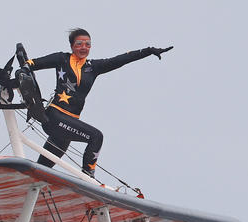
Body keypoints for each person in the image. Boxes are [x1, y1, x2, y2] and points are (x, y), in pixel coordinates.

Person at [23, 29, 172, 178]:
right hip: (54, 117)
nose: (84, 47)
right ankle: (88, 177)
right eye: (79, 44)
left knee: (39, 173)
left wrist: (148, 51)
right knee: (96, 137)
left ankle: (26, 185)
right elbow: (31, 64)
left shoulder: (93, 67)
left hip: (67, 126)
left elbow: (120, 60)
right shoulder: (62, 58)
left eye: (88, 44)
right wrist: (23, 70)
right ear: (72, 46)